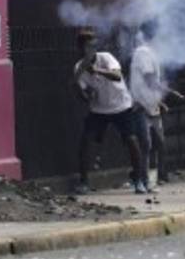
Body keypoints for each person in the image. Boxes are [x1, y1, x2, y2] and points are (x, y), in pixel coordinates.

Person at [73, 31, 148, 195]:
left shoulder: (105, 58)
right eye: (88, 46)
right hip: (99, 110)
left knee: (132, 140)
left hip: (121, 106)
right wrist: (81, 88)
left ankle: (139, 180)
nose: (92, 49)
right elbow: (85, 97)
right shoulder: (79, 68)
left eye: (94, 45)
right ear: (81, 48)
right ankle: (84, 181)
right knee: (86, 142)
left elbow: (116, 75)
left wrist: (97, 71)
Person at [129, 22, 173, 187]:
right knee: (146, 144)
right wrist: (165, 88)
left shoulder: (149, 52)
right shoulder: (143, 52)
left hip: (151, 106)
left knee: (156, 143)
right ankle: (141, 179)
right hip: (141, 106)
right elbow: (149, 78)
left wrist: (160, 101)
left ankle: (151, 179)